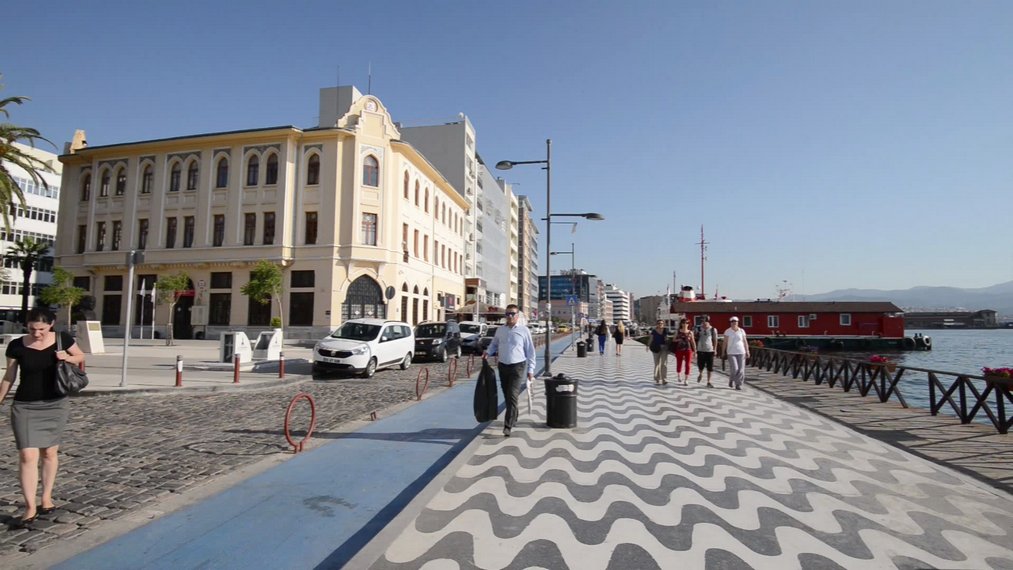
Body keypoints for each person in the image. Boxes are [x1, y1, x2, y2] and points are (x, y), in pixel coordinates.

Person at [0, 308, 85, 529]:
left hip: (55, 404)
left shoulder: (62, 339)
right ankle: (30, 505)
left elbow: (80, 356)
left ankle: (46, 497)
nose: (36, 333)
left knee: (49, 452)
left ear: (51, 324)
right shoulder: (16, 345)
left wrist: (67, 357)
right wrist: (0, 398)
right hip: (25, 405)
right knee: (27, 455)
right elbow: (9, 375)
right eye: (32, 329)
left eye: (41, 329)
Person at [483, 304, 536, 437]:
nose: (510, 316)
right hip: (503, 366)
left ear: (517, 316)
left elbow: (530, 351)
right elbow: (494, 344)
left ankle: (508, 426)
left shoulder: (524, 330)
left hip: (518, 366)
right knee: (507, 395)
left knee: (512, 395)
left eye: (512, 314)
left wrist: (531, 369)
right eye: (507, 314)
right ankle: (514, 414)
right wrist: (488, 352)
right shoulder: (500, 330)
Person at [723, 316, 749, 390]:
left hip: (741, 352)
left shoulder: (741, 331)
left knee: (741, 370)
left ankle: (738, 384)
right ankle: (731, 379)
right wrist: (723, 352)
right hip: (731, 352)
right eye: (732, 322)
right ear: (730, 323)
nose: (734, 323)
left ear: (737, 322)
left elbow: (745, 341)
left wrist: (747, 351)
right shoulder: (727, 331)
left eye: (735, 321)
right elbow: (725, 342)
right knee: (735, 368)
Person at [672, 318, 696, 385]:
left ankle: (686, 379)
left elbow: (693, 342)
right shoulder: (678, 331)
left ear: (688, 324)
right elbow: (673, 340)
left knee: (688, 365)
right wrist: (679, 339)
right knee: (679, 363)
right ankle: (679, 375)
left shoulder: (690, 332)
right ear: (681, 324)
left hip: (688, 349)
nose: (685, 324)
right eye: (684, 323)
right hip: (679, 349)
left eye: (687, 323)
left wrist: (695, 351)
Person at [695, 316, 718, 388]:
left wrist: (715, 349)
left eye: (704, 321)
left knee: (710, 366)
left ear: (708, 321)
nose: (703, 323)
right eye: (702, 321)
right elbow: (694, 338)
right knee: (700, 365)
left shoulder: (713, 329)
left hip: (709, 350)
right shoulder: (698, 329)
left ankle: (709, 381)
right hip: (700, 349)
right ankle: (700, 374)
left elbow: (715, 340)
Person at [647, 320, 669, 385]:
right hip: (656, 348)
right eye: (659, 323)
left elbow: (667, 338)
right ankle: (657, 378)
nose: (660, 324)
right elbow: (651, 339)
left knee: (664, 363)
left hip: (664, 348)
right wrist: (648, 345)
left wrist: (667, 341)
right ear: (657, 324)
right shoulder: (654, 331)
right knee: (657, 363)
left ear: (663, 324)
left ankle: (664, 379)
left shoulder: (665, 330)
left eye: (661, 323)